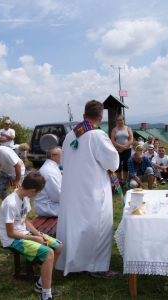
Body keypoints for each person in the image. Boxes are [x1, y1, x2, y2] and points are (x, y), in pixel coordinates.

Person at [56, 100, 120, 278]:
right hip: (92, 190)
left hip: (71, 191)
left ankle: (75, 263)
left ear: (84, 116)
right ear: (100, 118)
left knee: (75, 228)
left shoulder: (70, 136)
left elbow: (62, 163)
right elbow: (112, 163)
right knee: (98, 227)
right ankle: (97, 267)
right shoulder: (98, 136)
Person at [0, 172, 63, 300]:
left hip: (24, 233)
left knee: (58, 246)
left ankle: (40, 284)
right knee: (49, 253)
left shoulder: (25, 197)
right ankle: (46, 296)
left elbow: (25, 221)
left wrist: (39, 235)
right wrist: (34, 238)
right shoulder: (10, 203)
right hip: (12, 240)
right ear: (33, 191)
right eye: (39, 192)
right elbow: (10, 233)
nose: (38, 195)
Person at [34, 146, 62, 217]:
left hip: (49, 204)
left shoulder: (51, 167)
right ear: (53, 156)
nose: (63, 157)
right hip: (48, 207)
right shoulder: (50, 171)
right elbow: (58, 196)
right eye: (61, 155)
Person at [110, 115, 133, 187]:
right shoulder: (114, 130)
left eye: (121, 120)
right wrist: (120, 147)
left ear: (124, 120)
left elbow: (131, 139)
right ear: (116, 121)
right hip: (117, 150)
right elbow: (112, 140)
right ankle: (119, 181)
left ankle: (125, 181)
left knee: (126, 165)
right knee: (118, 166)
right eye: (118, 120)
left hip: (127, 150)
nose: (120, 121)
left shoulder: (128, 128)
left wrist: (125, 147)